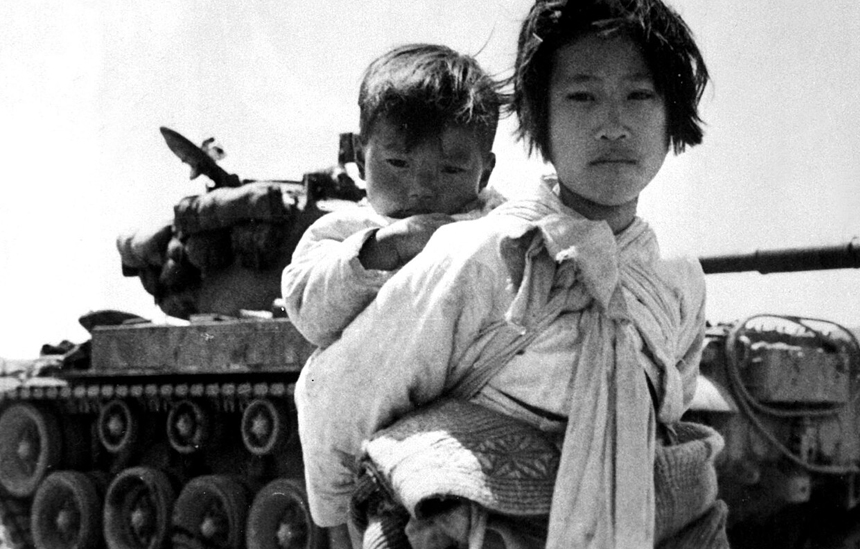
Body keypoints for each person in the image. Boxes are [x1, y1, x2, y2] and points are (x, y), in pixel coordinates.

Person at [296, 0, 729, 547]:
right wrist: (339, 528)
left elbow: (669, 403)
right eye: (582, 96)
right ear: (538, 118)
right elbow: (341, 392)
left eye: (640, 95)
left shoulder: (678, 279)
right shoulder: (474, 254)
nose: (613, 126)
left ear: (673, 117)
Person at [281, 43, 503, 350]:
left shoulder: (500, 229)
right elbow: (308, 312)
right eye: (399, 163)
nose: (422, 189)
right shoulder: (342, 233)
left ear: (485, 173)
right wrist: (383, 249)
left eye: (450, 170)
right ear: (360, 157)